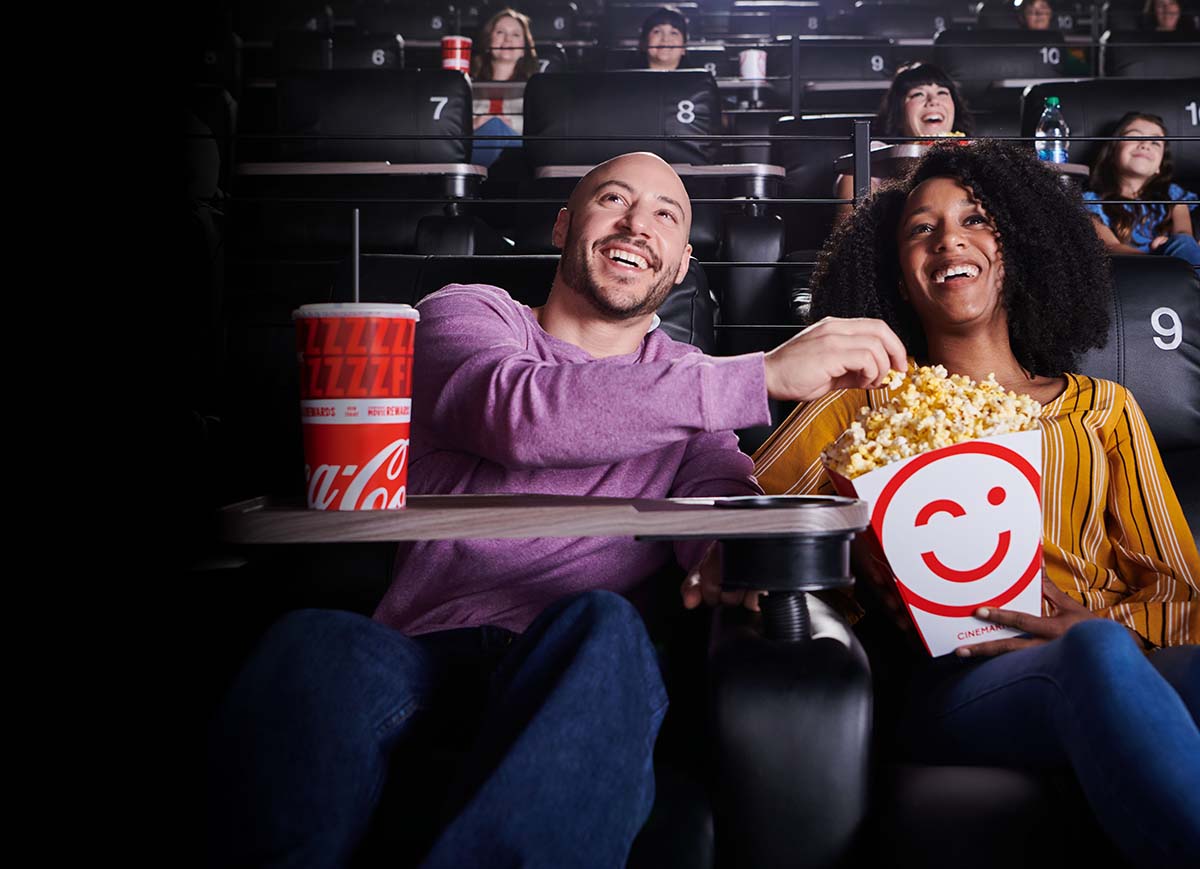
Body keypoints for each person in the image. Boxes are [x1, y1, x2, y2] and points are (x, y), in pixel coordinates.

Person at [208, 152, 907, 868]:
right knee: (312, 639)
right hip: (417, 646)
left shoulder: (695, 401)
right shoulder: (468, 312)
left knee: (606, 623)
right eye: (614, 199)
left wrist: (733, 559)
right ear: (564, 224)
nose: (638, 223)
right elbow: (516, 413)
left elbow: (724, 505)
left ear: (680, 265)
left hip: (574, 659)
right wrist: (757, 375)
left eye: (666, 214)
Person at [752, 140, 1200, 869]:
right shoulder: (858, 403)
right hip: (955, 682)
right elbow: (746, 523)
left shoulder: (1104, 411)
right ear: (897, 272)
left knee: (1121, 651)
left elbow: (1181, 588)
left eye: (976, 219)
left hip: (1118, 648)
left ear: (1019, 246)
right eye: (920, 229)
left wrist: (1102, 623)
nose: (948, 239)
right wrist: (854, 553)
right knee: (1093, 653)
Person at [834, 63, 972, 222]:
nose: (933, 101)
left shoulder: (977, 150)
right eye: (918, 94)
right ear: (898, 114)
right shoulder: (878, 152)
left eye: (942, 92)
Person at [1083, 111, 1200, 270]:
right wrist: (1161, 261)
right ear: (1112, 151)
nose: (1145, 144)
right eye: (1134, 137)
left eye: (1155, 143)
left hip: (1180, 272)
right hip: (1133, 274)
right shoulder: (1091, 202)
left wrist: (1174, 246)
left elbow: (1184, 234)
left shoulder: (1173, 197)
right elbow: (1110, 247)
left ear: (1159, 166)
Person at [469, 8, 540, 168]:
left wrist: (509, 126)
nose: (508, 39)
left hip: (519, 154)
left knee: (496, 127)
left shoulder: (536, 88)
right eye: (500, 32)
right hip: (475, 145)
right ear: (489, 41)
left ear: (524, 47)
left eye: (515, 35)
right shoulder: (467, 85)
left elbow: (542, 130)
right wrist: (474, 125)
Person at [639, 6, 689, 71]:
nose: (665, 39)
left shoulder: (700, 79)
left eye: (673, 33)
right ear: (644, 42)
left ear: (684, 47)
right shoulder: (625, 79)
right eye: (657, 32)